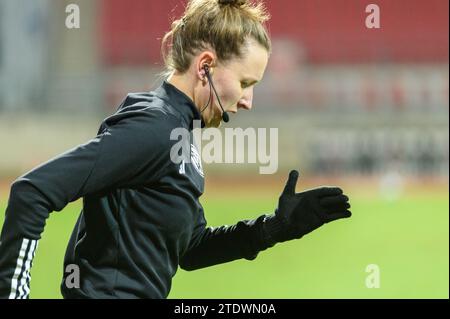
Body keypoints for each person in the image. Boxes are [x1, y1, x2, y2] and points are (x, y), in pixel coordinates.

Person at [0, 0, 351, 299]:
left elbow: (191, 249)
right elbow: (32, 192)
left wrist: (274, 228)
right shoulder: (154, 129)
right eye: (245, 83)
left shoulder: (177, 133)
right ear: (205, 67)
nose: (248, 101)